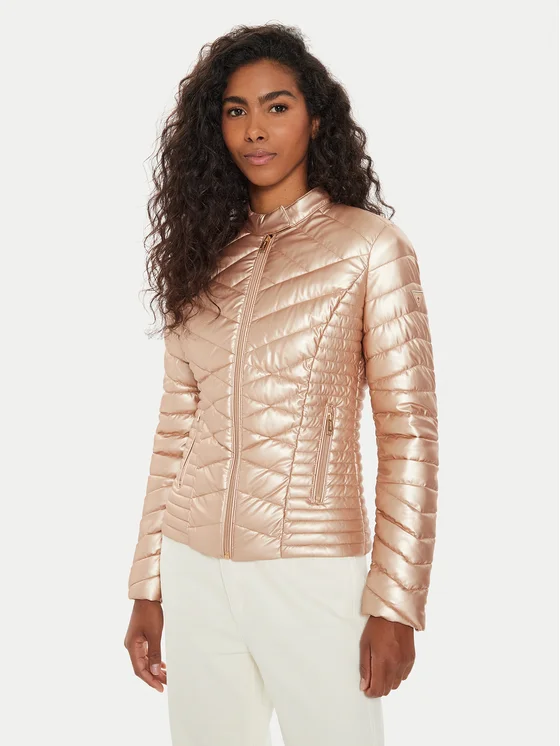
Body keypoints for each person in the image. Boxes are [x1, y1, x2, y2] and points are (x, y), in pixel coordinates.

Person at [123, 22, 439, 746]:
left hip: (312, 570)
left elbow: (409, 434)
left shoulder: (369, 248)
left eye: (277, 106)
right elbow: (176, 430)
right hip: (195, 568)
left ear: (315, 118)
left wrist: (395, 601)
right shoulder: (203, 257)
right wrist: (149, 585)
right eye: (235, 110)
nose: (254, 129)